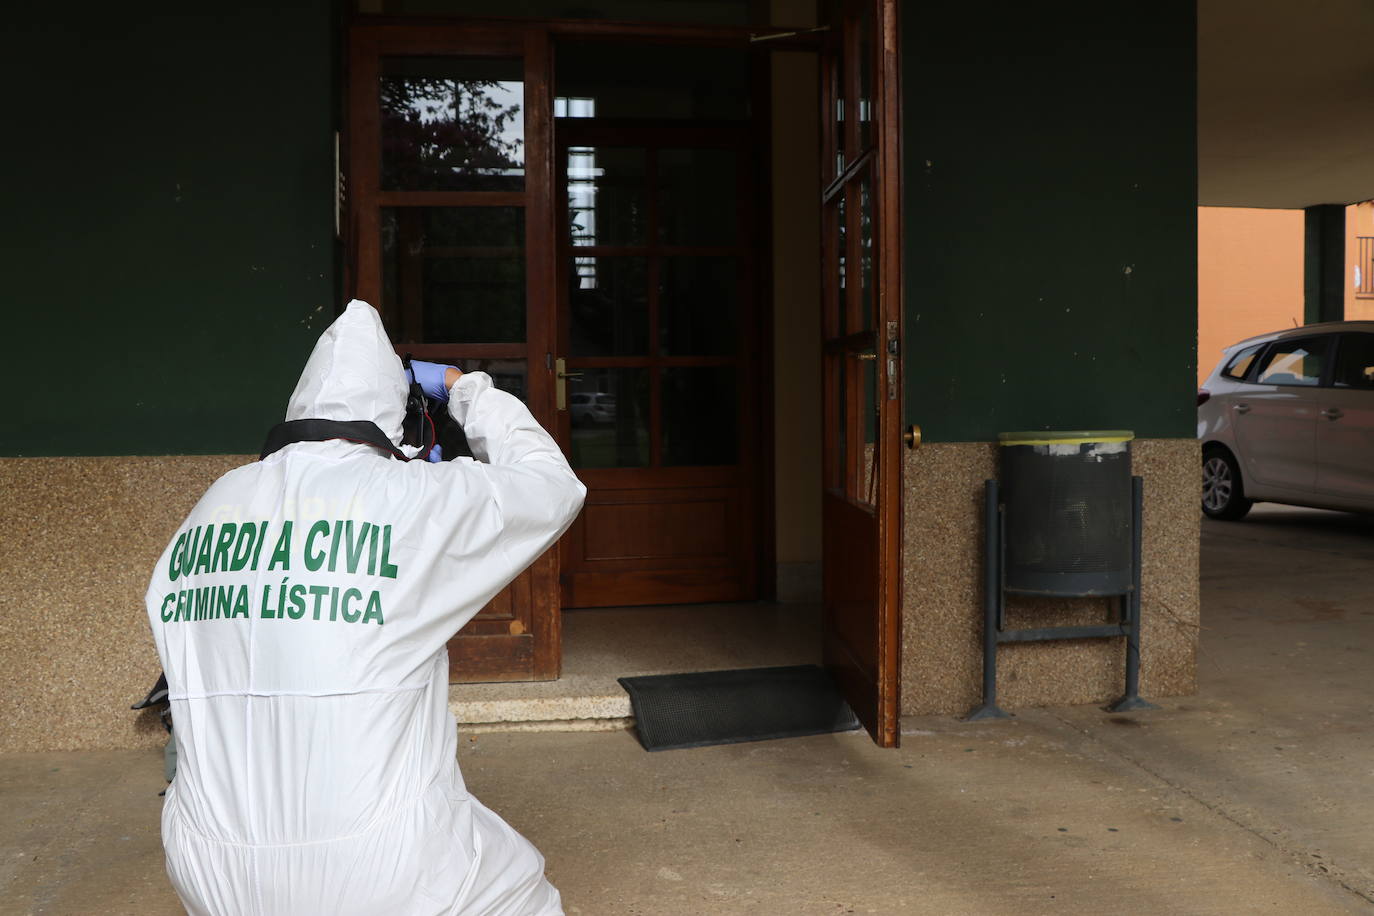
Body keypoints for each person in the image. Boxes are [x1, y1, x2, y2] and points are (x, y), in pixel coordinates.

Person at [144, 300, 584, 915]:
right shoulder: (412, 495)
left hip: (206, 868)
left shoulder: (217, 500)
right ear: (393, 421)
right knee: (519, 895)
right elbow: (552, 485)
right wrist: (464, 390)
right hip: (382, 869)